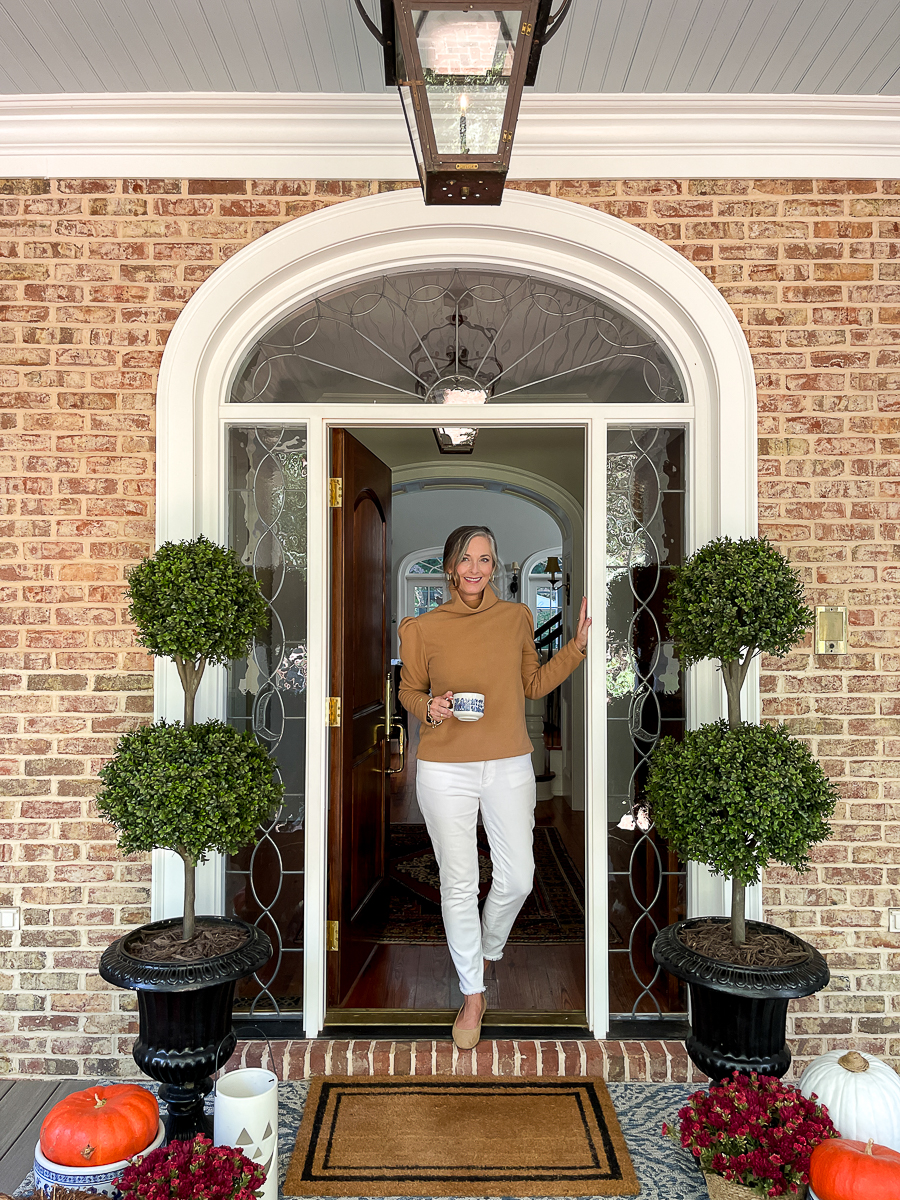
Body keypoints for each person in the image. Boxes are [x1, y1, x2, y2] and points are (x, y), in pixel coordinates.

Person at [398, 525, 591, 1048]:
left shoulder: (516, 618)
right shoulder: (421, 628)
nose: (476, 568)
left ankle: (485, 949)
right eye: (466, 559)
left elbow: (531, 684)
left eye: (485, 558)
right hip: (445, 768)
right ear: (449, 567)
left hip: (508, 762)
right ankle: (473, 994)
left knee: (519, 878)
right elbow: (410, 690)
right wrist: (430, 708)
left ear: (494, 565)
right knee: (458, 884)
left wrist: (575, 648)